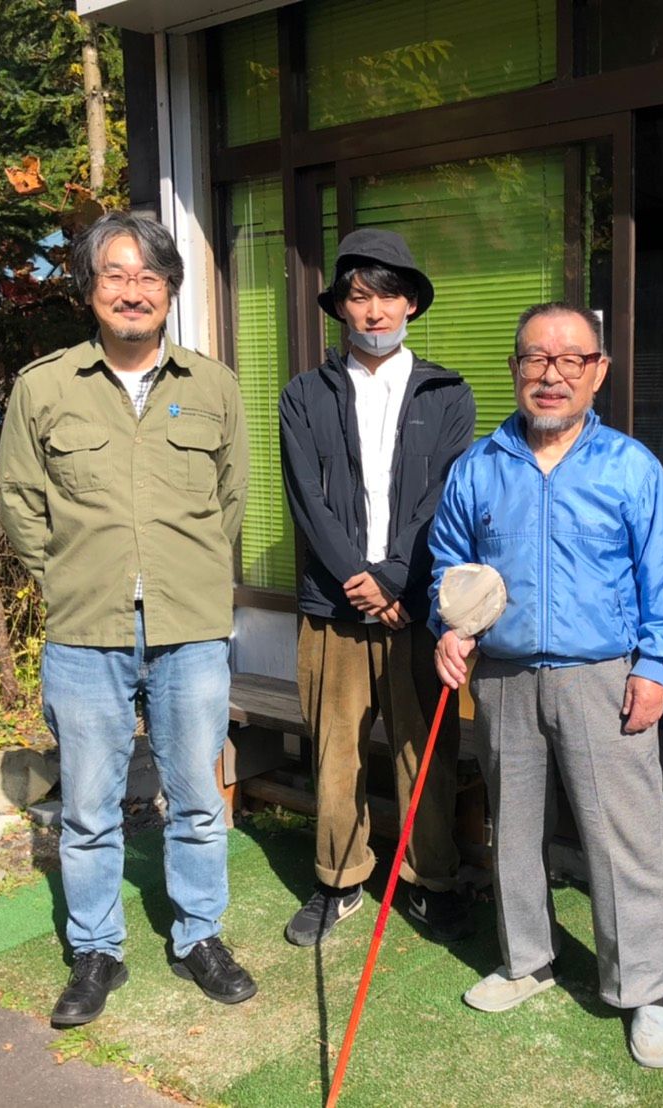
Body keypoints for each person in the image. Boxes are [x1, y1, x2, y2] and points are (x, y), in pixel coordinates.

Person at [0, 211, 255, 1027]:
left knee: (197, 799)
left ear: (171, 290)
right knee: (88, 807)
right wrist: (74, 575)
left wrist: (189, 576)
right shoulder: (44, 387)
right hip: (84, 632)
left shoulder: (212, 386)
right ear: (89, 289)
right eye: (115, 274)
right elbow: (21, 505)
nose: (133, 290)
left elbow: (231, 502)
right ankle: (97, 949)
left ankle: (198, 936)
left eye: (150, 276)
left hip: (190, 630)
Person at [431, 303, 663, 1070]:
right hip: (506, 678)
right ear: (513, 368)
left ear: (598, 372)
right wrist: (449, 628)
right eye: (535, 359)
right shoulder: (478, 469)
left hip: (603, 677)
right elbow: (450, 570)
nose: (551, 374)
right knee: (513, 829)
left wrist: (655, 667)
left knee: (627, 839)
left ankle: (645, 988)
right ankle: (527, 962)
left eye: (570, 359)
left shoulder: (629, 467)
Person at [278, 229, 477, 947]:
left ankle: (431, 879)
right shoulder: (305, 393)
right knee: (336, 751)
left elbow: (446, 500)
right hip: (333, 608)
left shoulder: (448, 393)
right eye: (358, 296)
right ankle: (338, 879)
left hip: (419, 609)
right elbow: (307, 500)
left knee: (426, 751)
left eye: (388, 293)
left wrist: (396, 578)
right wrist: (361, 583)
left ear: (412, 305)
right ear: (340, 308)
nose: (373, 310)